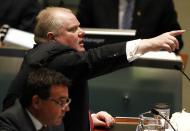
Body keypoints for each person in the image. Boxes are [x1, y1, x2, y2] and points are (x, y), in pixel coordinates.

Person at [2, 7, 184, 131]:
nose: (82, 32)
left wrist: (87, 118)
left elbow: (51, 111)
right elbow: (94, 59)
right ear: (52, 38)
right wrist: (147, 44)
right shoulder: (54, 60)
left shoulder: (44, 55)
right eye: (73, 29)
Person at [77, 0, 184, 53]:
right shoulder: (93, 2)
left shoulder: (160, 2)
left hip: (145, 70)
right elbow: (78, 35)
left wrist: (150, 49)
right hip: (99, 68)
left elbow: (175, 40)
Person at [0, 68, 71, 130]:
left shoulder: (55, 125)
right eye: (61, 102)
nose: (67, 109)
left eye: (66, 101)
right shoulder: (6, 124)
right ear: (36, 102)